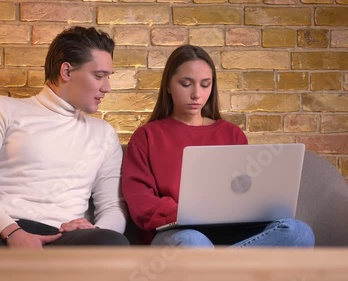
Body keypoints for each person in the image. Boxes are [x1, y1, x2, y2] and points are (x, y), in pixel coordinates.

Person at [120, 45, 315, 247]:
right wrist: (191, 213)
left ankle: (213, 266)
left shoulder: (232, 134)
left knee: (298, 232)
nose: (196, 94)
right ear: (168, 86)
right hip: (178, 232)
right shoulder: (147, 136)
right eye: (186, 84)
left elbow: (245, 192)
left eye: (205, 85)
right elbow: (141, 202)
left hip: (232, 231)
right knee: (193, 242)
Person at [0, 26, 129, 249]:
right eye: (98, 76)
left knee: (112, 242)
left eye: (108, 77)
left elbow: (113, 207)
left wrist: (92, 230)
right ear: (66, 71)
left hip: (62, 236)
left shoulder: (104, 134)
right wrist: (13, 232)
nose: (107, 88)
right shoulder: (2, 109)